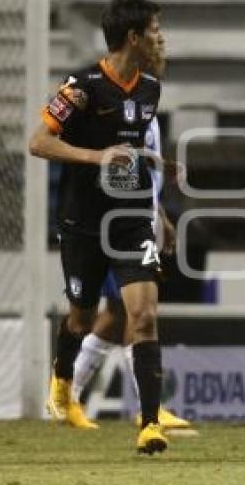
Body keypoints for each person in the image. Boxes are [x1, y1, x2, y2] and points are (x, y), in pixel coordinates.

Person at [29, 0, 172, 455]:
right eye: (154, 29)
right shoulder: (82, 87)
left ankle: (150, 424)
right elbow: (38, 142)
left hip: (130, 219)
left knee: (144, 313)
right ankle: (63, 379)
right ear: (133, 37)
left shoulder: (151, 87)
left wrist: (157, 202)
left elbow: (131, 147)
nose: (159, 37)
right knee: (82, 316)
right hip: (83, 220)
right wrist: (96, 156)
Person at [68, 107, 190, 432]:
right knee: (126, 310)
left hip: (140, 217)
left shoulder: (147, 111)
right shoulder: (117, 112)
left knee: (123, 312)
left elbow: (144, 176)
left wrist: (160, 215)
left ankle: (71, 395)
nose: (158, 55)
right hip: (116, 223)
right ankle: (144, 407)